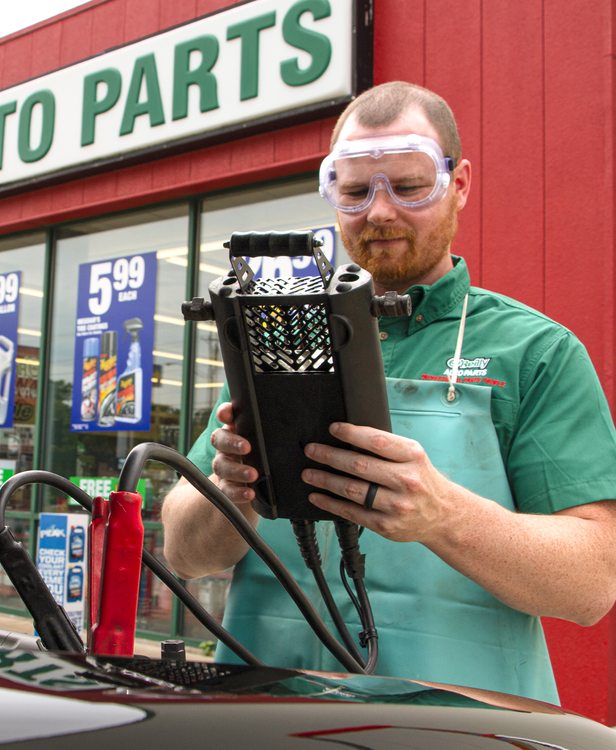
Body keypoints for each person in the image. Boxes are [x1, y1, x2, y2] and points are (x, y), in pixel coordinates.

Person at [161, 81, 616, 702]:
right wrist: (232, 494)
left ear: (459, 185)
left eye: (407, 186)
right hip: (266, 716)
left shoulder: (536, 353)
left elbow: (594, 582)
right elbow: (184, 553)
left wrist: (445, 516)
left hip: (462, 729)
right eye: (354, 191)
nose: (379, 212)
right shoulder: (279, 337)